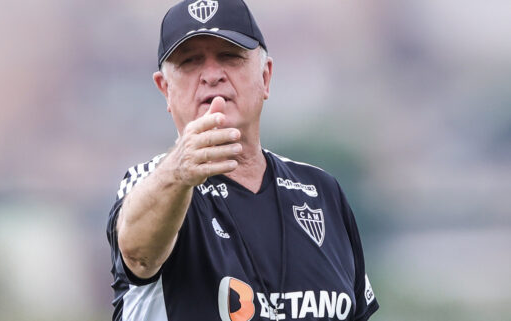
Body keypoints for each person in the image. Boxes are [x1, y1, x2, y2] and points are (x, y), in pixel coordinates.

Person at [106, 0, 379, 320]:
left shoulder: (321, 191)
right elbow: (137, 255)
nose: (211, 75)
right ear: (165, 89)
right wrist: (179, 171)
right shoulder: (154, 185)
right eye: (191, 61)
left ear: (266, 76)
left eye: (229, 56)